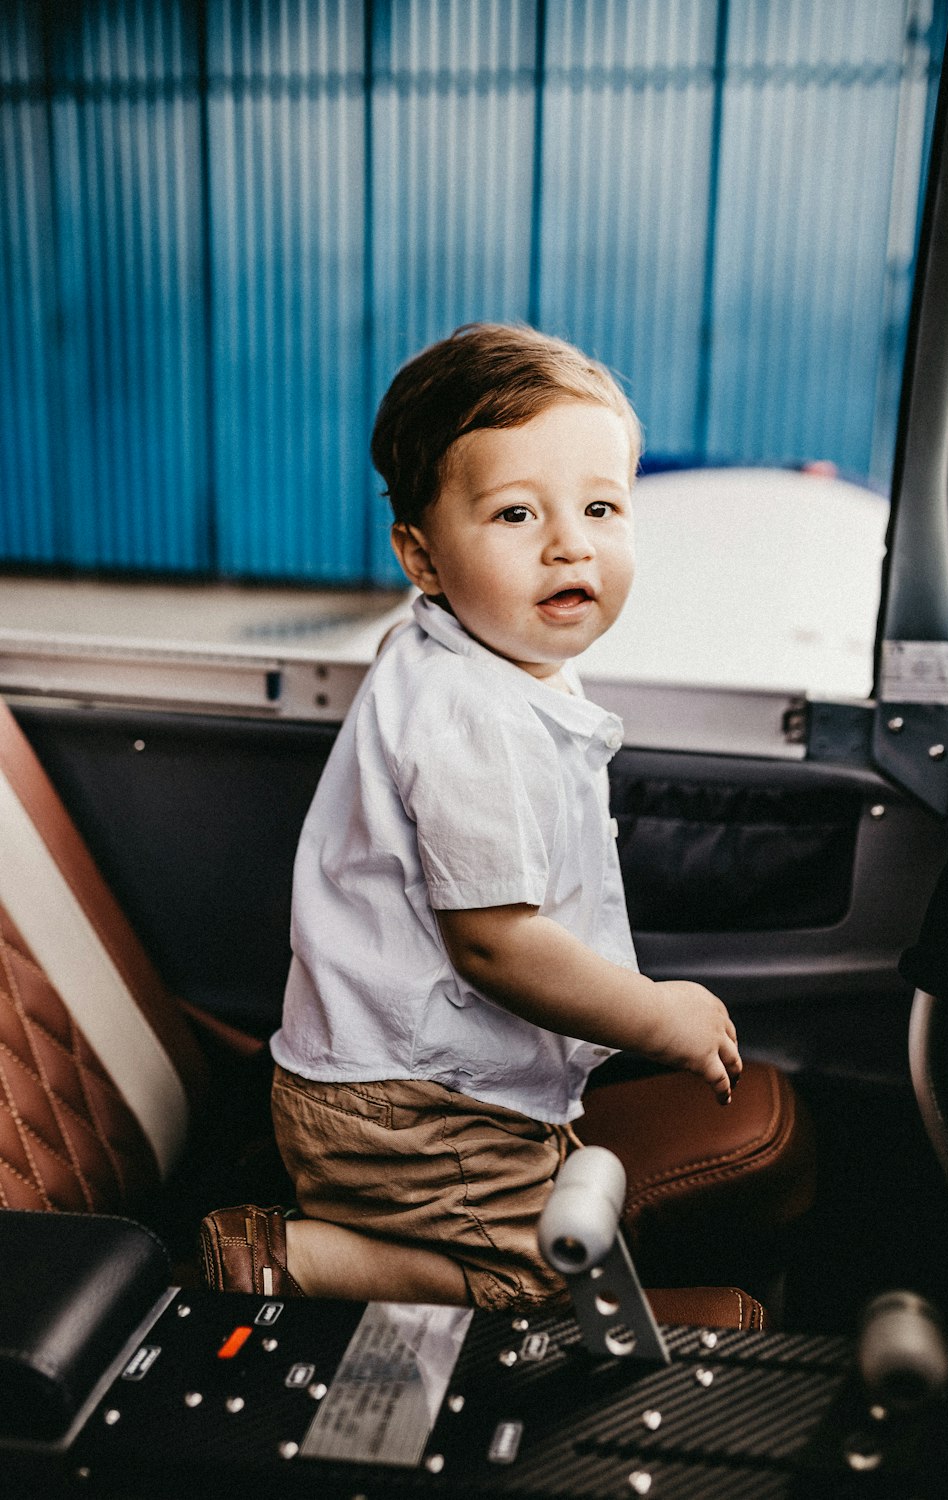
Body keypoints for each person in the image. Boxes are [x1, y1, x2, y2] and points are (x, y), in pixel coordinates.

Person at [199, 323, 741, 1309]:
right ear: (422, 555)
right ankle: (290, 1257)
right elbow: (493, 945)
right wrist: (659, 1013)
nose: (570, 542)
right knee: (535, 1283)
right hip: (411, 1110)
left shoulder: (487, 662)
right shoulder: (471, 718)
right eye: (516, 514)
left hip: (412, 1089)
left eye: (601, 506)